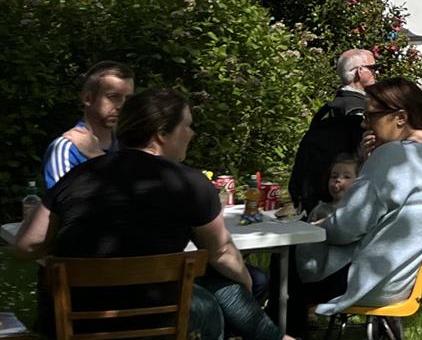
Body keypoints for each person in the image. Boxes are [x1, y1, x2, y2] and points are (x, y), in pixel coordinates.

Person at [14, 88, 290, 340]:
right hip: (157, 321)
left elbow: (27, 244)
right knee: (224, 292)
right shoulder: (189, 183)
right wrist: (247, 286)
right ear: (162, 133)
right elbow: (221, 253)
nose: (192, 133)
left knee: (219, 289)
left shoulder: (81, 175)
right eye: (187, 125)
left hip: (75, 319)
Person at [292, 79, 422, 332]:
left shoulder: (394, 156)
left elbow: (344, 229)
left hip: (369, 281)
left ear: (400, 117)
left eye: (370, 116)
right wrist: (368, 162)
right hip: (404, 278)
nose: (364, 124)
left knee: (284, 259)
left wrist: (315, 226)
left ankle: (284, 333)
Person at [290, 49, 375, 213]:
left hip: (316, 198)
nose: (376, 74)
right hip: (344, 204)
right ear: (360, 71)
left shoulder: (327, 109)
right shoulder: (360, 111)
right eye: (373, 68)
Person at [41, 60, 134, 188]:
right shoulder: (66, 148)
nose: (121, 106)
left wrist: (96, 156)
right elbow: (66, 204)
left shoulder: (130, 144)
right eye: (113, 96)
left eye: (128, 99)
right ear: (87, 99)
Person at [307, 155, 361, 222]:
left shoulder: (359, 210)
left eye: (346, 177)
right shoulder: (320, 210)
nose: (338, 179)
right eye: (334, 176)